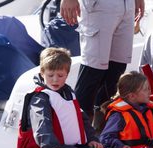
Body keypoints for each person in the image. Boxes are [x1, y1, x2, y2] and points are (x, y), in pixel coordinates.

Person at [60, 0, 145, 132]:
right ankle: (78, 136)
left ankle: (102, 133)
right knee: (92, 74)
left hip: (127, 6)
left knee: (116, 73)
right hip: (98, 6)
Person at [17, 47, 103, 148]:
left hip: (66, 147)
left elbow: (81, 119)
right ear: (42, 73)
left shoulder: (69, 93)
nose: (55, 79)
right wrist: (53, 147)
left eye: (60, 75)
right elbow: (42, 125)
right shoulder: (40, 98)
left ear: (67, 75)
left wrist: (92, 139)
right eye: (50, 75)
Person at [99, 71, 153, 148]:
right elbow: (105, 138)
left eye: (148, 88)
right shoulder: (118, 115)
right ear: (132, 96)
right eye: (145, 89)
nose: (149, 91)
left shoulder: (150, 109)